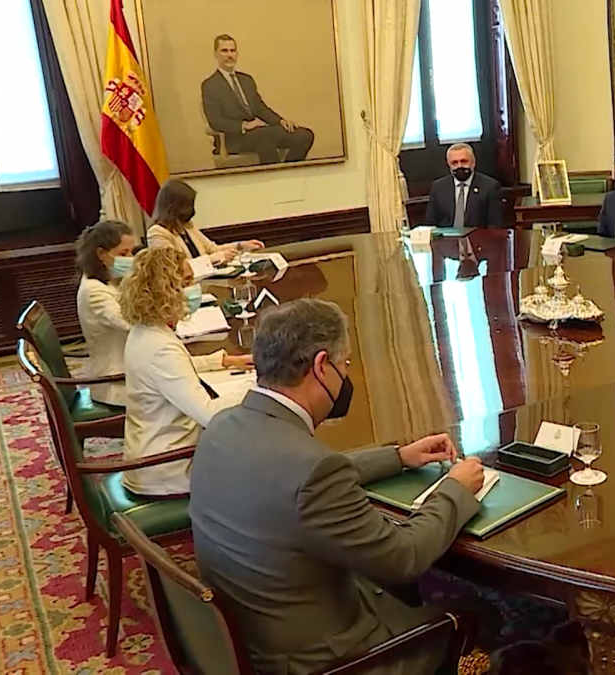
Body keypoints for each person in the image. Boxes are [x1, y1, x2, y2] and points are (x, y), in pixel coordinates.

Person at [189, 298, 487, 675]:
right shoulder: (312, 470)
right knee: (477, 614)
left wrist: (398, 456)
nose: (346, 375)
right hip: (323, 662)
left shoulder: (221, 427)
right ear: (320, 366)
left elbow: (288, 478)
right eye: (344, 364)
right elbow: (404, 557)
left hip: (247, 636)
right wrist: (456, 489)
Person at [119, 248, 253, 496]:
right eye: (188, 281)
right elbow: (210, 415)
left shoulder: (145, 331)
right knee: (261, 468)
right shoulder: (161, 348)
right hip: (168, 469)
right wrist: (257, 388)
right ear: (168, 289)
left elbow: (175, 369)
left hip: (152, 454)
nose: (194, 288)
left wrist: (224, 361)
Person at [201, 34, 315, 165]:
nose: (229, 55)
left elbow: (260, 108)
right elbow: (215, 121)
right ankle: (275, 174)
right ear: (215, 55)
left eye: (232, 51)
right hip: (235, 138)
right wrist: (244, 125)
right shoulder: (210, 85)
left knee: (305, 135)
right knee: (264, 137)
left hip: (259, 132)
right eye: (224, 51)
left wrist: (280, 121)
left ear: (237, 54)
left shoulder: (246, 80)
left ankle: (288, 170)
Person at [74, 220, 138, 408]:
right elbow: (131, 322)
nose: (131, 258)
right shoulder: (94, 291)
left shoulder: (109, 280)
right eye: (123, 254)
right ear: (101, 254)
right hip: (116, 383)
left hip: (131, 369)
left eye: (132, 252)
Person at [147, 178, 263, 263]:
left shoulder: (188, 226)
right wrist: (213, 259)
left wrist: (240, 246)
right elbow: (175, 267)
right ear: (175, 207)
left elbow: (212, 249)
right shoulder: (157, 233)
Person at [423, 143, 503, 228]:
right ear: (448, 164)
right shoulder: (438, 187)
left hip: (477, 235)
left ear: (473, 162)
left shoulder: (490, 186)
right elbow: (430, 224)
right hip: (446, 236)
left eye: (464, 161)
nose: (460, 166)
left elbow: (495, 225)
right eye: (454, 163)